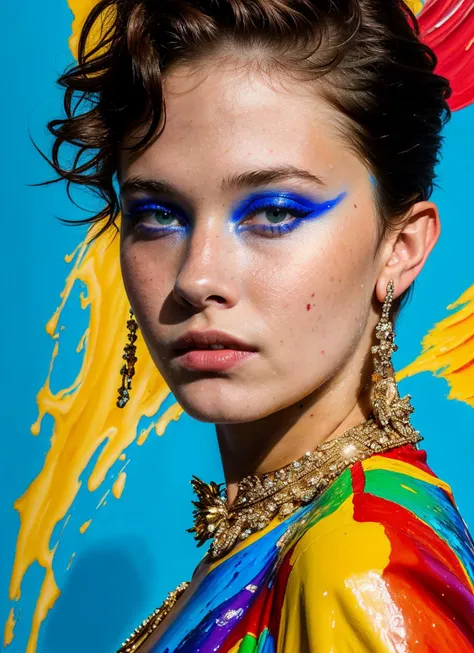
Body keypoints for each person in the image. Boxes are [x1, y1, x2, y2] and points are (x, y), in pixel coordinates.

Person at [42, 0, 474, 650]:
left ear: (401, 248)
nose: (196, 276)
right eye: (158, 214)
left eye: (273, 211)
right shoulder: (281, 535)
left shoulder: (358, 559)